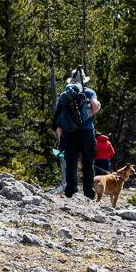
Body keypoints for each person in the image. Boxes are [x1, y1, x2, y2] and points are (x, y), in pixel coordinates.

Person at [52, 66, 102, 199]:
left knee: (71, 163)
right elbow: (96, 106)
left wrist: (60, 138)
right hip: (86, 132)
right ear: (83, 80)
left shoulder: (64, 95)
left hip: (69, 134)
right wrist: (88, 113)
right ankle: (88, 194)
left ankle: (71, 192)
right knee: (88, 163)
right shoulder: (89, 92)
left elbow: (58, 121)